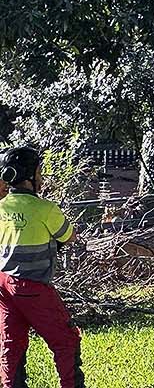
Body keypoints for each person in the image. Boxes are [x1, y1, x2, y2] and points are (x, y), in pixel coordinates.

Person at [0, 146, 85, 388]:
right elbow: (69, 236)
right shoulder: (45, 209)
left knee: (11, 344)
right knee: (66, 340)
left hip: (3, 284)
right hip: (32, 286)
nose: (41, 177)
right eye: (39, 171)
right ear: (29, 176)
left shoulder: (2, 207)